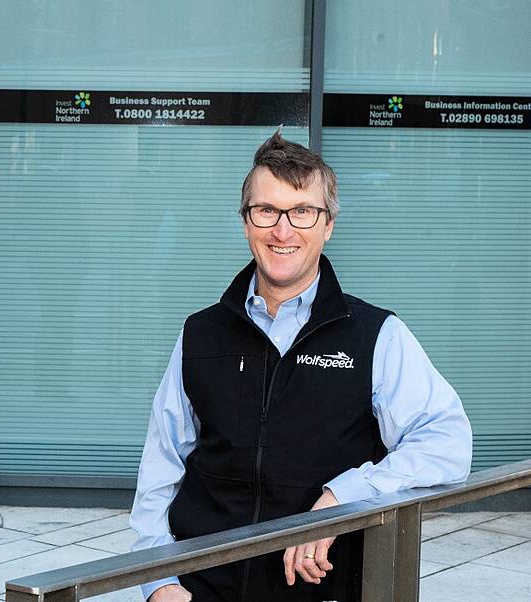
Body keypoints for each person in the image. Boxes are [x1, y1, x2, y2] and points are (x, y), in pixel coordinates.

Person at [129, 131, 472, 602]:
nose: (283, 230)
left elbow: (447, 442)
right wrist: (159, 581)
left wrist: (342, 497)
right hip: (200, 591)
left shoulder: (376, 336)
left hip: (323, 590)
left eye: (303, 212)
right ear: (246, 222)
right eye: (266, 210)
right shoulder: (199, 335)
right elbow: (160, 471)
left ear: (328, 224)